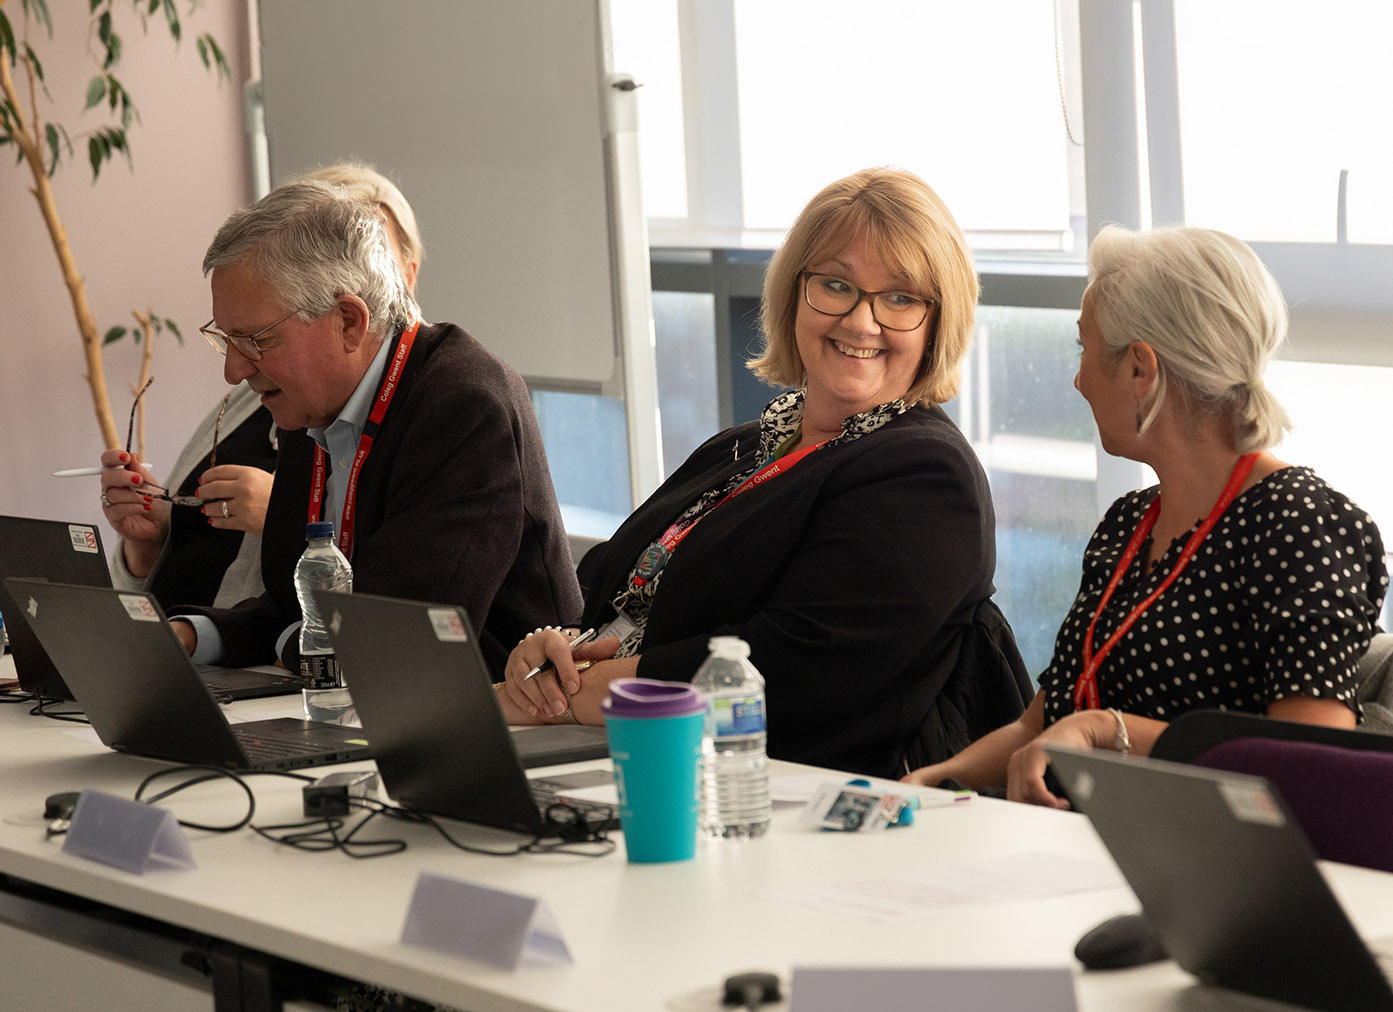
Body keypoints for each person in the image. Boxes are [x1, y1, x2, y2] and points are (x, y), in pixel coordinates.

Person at [500, 167, 1004, 779]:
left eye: (900, 298)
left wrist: (572, 697)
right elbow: (609, 588)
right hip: (623, 752)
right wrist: (552, 650)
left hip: (765, 790)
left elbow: (796, 669)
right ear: (794, 295)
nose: (861, 321)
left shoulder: (926, 476)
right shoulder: (746, 446)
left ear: (937, 323)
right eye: (836, 285)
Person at [903, 225, 1388, 806]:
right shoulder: (1127, 524)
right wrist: (932, 780)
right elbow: (1044, 723)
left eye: (1084, 350)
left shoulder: (1299, 523)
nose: (1078, 379)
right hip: (1080, 837)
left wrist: (1108, 731)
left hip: (1200, 853)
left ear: (1140, 368)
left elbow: (1311, 759)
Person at [98, 179, 580, 674]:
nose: (234, 371)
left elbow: (395, 636)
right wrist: (184, 636)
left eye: (255, 340)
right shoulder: (311, 403)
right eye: (226, 339)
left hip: (493, 707)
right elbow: (293, 607)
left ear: (349, 321)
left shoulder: (464, 406)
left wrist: (291, 638)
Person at [98, 163, 424, 611]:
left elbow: (387, 612)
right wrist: (148, 543)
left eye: (257, 339)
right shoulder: (258, 399)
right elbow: (164, 579)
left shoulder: (437, 408)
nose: (234, 370)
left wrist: (288, 517)